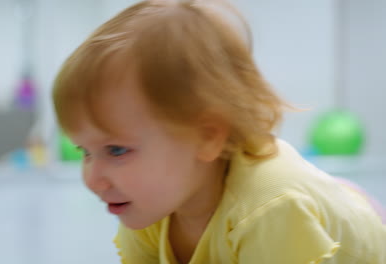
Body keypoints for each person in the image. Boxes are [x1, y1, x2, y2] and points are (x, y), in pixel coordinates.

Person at [52, 0, 386, 263]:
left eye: (116, 150)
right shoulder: (148, 206)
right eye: (84, 152)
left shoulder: (269, 208)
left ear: (208, 137)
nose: (92, 178)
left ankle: (342, 198)